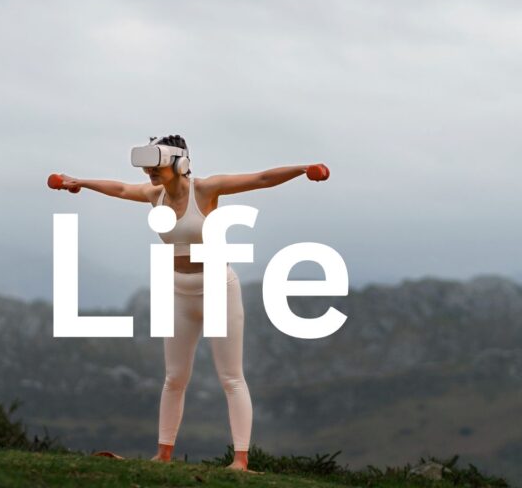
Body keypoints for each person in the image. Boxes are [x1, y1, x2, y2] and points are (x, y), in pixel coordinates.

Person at [55, 134, 324, 472]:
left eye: (157, 165)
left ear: (180, 164)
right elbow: (121, 189)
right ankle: (163, 454)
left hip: (218, 289)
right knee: (174, 378)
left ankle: (240, 460)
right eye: (147, 167)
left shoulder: (206, 190)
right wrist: (80, 182)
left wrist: (303, 169)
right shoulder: (155, 195)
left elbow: (261, 178)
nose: (150, 173)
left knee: (231, 378)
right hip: (177, 291)